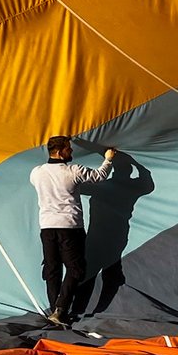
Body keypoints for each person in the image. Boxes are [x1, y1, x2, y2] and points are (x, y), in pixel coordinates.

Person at [29, 136, 116, 325]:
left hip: (47, 227)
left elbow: (50, 188)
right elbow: (99, 177)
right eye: (69, 149)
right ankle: (60, 309)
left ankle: (55, 311)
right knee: (76, 269)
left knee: (52, 269)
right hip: (69, 227)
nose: (72, 152)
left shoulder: (36, 173)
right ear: (60, 152)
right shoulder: (73, 171)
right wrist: (108, 159)